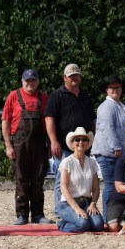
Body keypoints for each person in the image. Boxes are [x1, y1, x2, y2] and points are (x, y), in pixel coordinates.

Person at [1, 69, 52, 225]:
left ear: (38, 81)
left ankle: (38, 214)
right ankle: (21, 214)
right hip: (19, 144)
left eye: (33, 80)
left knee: (38, 179)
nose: (30, 83)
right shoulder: (13, 96)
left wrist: (50, 145)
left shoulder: (44, 98)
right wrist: (8, 145)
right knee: (21, 179)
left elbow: (49, 123)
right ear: (22, 81)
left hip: (39, 143)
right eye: (27, 80)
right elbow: (5, 121)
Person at [44, 64, 96, 210]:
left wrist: (92, 140)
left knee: (83, 180)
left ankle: (81, 209)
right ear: (65, 78)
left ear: (80, 77)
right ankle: (60, 211)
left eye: (76, 75)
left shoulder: (85, 96)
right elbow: (49, 119)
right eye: (71, 76)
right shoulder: (57, 95)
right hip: (64, 146)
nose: (74, 78)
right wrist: (53, 141)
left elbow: (92, 120)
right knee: (62, 181)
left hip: (83, 145)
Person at [91, 75, 125, 222]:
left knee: (116, 185)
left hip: (119, 153)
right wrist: (116, 147)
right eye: (112, 87)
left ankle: (114, 216)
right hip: (109, 153)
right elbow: (108, 128)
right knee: (110, 185)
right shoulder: (106, 107)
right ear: (107, 90)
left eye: (117, 87)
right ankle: (107, 218)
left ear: (121, 89)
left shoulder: (120, 106)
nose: (115, 90)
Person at [56, 127, 104, 233]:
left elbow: (96, 189)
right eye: (77, 140)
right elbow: (63, 188)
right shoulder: (67, 161)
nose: (81, 142)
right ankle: (61, 224)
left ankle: (77, 221)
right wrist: (76, 208)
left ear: (88, 143)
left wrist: (93, 203)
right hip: (68, 204)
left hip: (87, 202)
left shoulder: (92, 163)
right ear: (72, 143)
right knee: (83, 225)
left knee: (99, 226)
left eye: (84, 139)